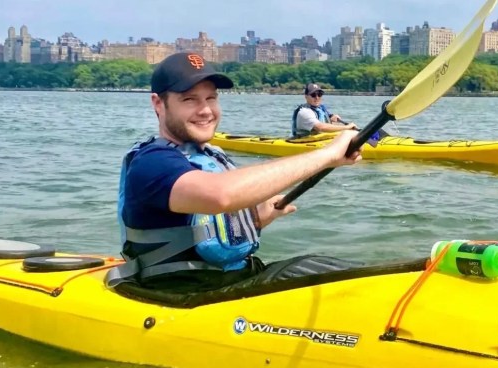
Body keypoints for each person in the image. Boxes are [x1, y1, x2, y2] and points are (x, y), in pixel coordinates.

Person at [106, 53, 362, 291]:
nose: (205, 110)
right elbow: (219, 195)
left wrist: (258, 217)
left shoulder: (207, 155)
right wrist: (327, 155)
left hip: (233, 279)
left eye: (211, 98)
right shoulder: (151, 162)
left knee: (329, 270)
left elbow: (201, 225)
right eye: (189, 99)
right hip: (184, 292)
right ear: (158, 104)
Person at [291, 83, 357, 137]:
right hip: (304, 142)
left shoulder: (320, 109)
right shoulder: (304, 112)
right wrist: (347, 127)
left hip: (319, 140)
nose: (317, 98)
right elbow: (320, 128)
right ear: (306, 96)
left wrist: (330, 118)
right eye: (313, 95)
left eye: (319, 94)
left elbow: (324, 122)